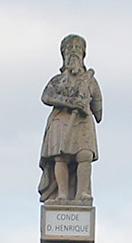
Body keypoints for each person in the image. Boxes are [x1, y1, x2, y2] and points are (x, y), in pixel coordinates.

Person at [38, 34, 102, 203]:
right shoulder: (58, 80)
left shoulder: (90, 81)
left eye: (77, 49)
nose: (73, 53)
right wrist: (71, 102)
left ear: (83, 54)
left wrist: (88, 101)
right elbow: (46, 96)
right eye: (70, 50)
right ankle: (62, 195)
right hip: (61, 121)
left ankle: (82, 194)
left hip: (82, 121)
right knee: (61, 157)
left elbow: (98, 110)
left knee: (85, 155)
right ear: (64, 55)